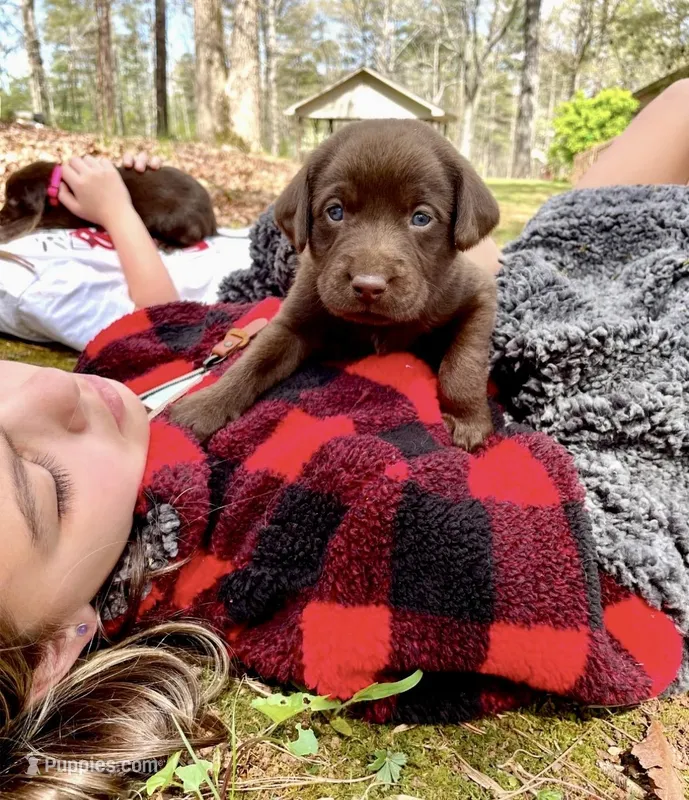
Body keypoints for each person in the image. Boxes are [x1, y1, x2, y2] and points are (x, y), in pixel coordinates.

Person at [0, 79, 688, 800]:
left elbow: (208, 316)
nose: (49, 390)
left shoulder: (112, 377)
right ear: (58, 647)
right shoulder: (225, 534)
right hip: (570, 309)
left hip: (403, 282)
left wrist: (123, 218)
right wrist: (462, 400)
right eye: (45, 485)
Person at [0, 153, 253, 350]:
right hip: (257, 289)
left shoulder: (23, 233)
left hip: (246, 239)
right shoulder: (25, 285)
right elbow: (163, 327)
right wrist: (117, 210)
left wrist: (141, 184)